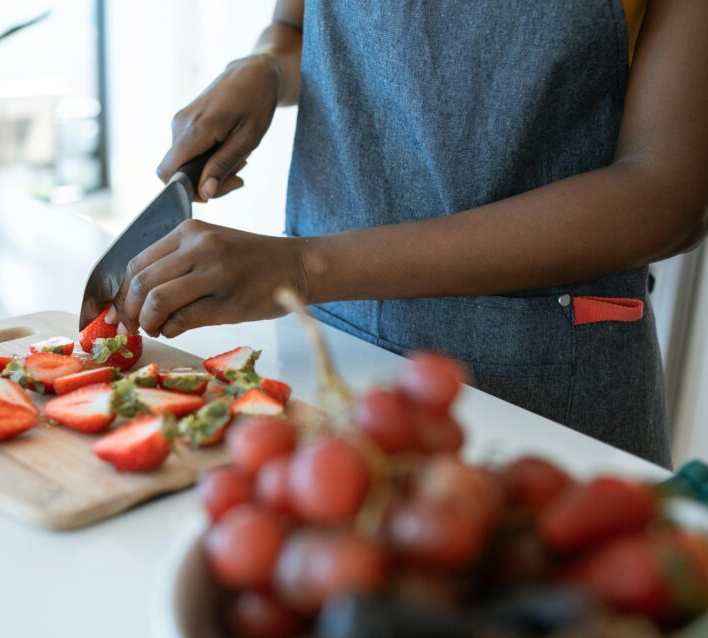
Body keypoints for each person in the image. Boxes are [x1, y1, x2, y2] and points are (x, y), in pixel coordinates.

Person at [105, 0, 708, 467]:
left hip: (547, 391)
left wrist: (305, 268)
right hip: (327, 348)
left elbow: (667, 195)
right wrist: (262, 67)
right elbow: (296, 24)